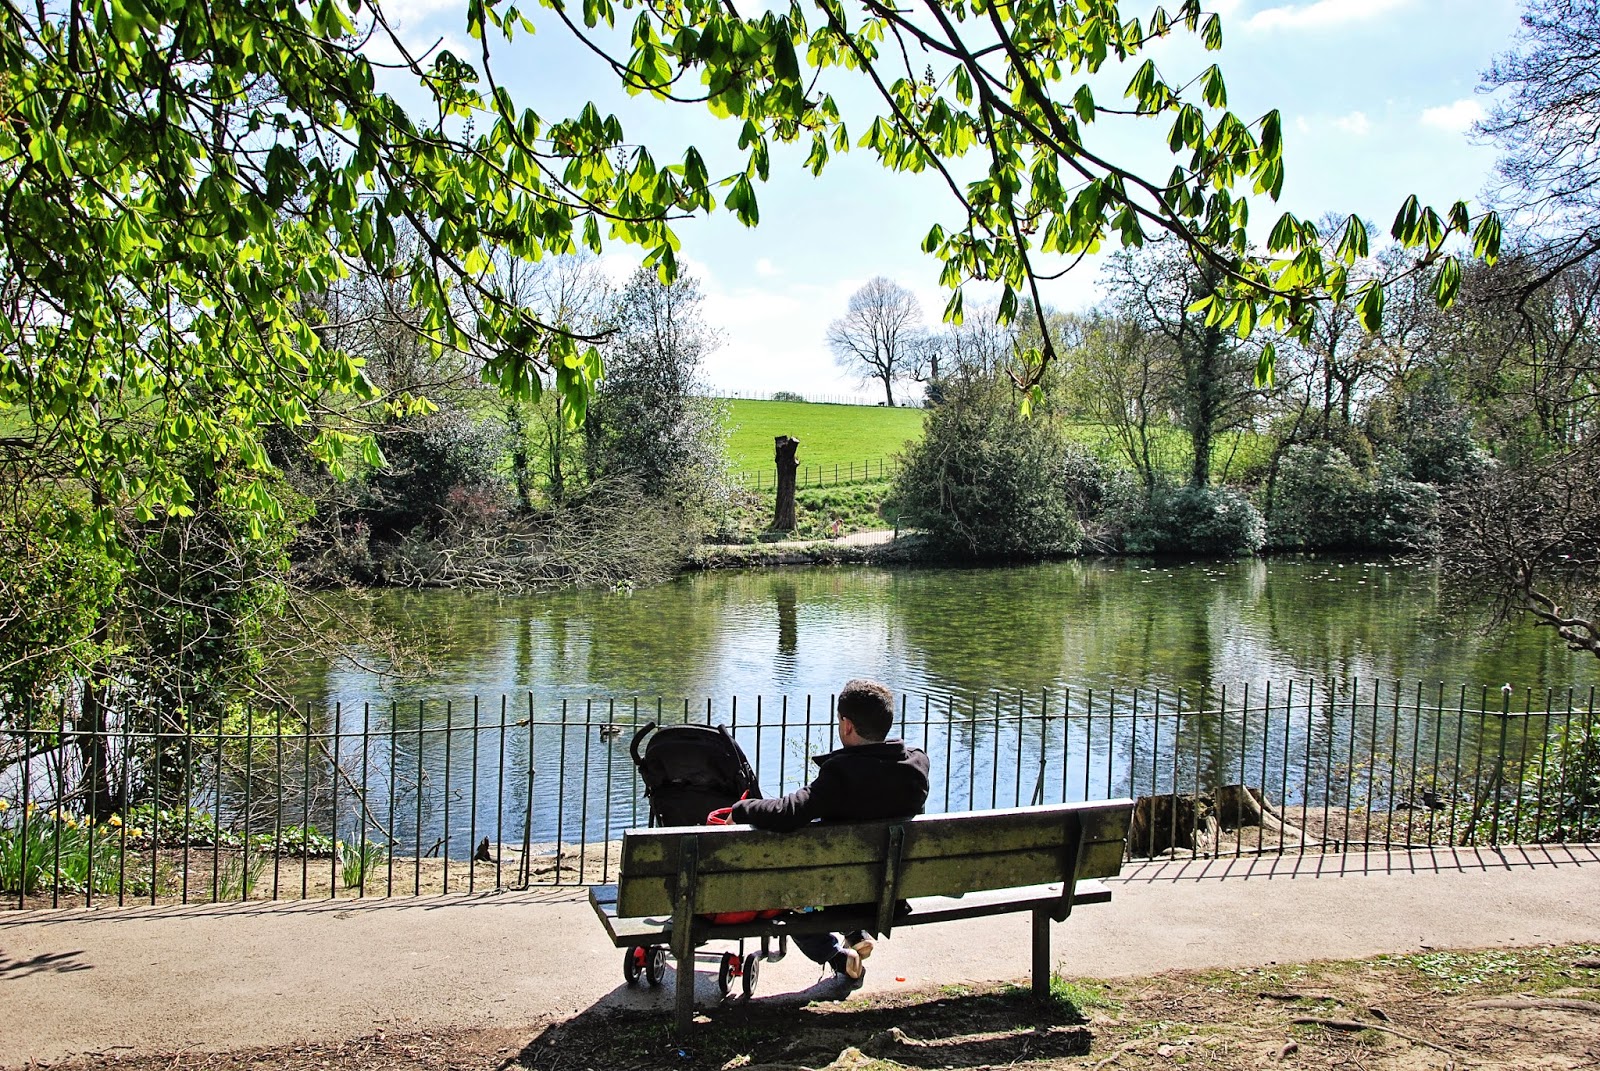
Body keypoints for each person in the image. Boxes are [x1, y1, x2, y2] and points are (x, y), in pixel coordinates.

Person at [729, 679, 930, 986]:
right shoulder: (916, 765)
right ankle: (855, 934)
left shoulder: (842, 775)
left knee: (789, 901)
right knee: (827, 883)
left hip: (839, 893)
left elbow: (788, 812)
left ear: (847, 726)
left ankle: (838, 957)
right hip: (887, 893)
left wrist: (740, 810)